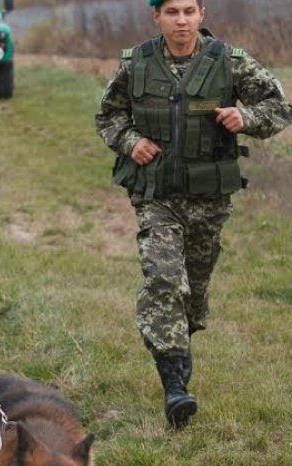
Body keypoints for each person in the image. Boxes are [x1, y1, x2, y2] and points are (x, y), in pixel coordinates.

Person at [95, 0, 291, 428]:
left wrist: (247, 116)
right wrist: (130, 142)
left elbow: (279, 107)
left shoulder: (230, 62)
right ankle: (175, 389)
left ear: (202, 14)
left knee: (193, 299)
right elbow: (107, 115)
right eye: (171, 11)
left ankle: (180, 354)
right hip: (156, 196)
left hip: (209, 202)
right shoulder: (136, 64)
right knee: (164, 280)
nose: (180, 20)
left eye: (188, 10)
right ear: (156, 17)